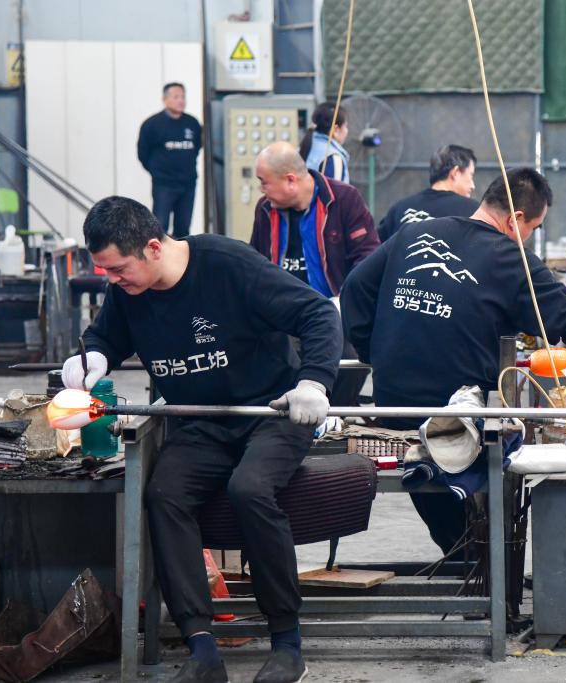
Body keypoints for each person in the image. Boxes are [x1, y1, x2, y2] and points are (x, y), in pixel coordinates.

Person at [62, 196, 341, 683]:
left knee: (249, 488)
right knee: (164, 495)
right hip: (201, 422)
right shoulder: (129, 290)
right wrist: (94, 357)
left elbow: (318, 314)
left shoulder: (228, 266)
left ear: (153, 247)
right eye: (106, 271)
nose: (113, 280)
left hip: (271, 412)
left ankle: (287, 642)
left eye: (118, 269)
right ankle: (202, 647)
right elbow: (107, 334)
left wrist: (314, 381)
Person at [342, 168, 566, 557]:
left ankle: (470, 561)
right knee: (478, 512)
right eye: (532, 228)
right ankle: (477, 566)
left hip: (393, 404)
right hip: (457, 417)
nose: (528, 238)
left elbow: (354, 288)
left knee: (450, 517)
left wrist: (374, 353)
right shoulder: (511, 258)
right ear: (516, 219)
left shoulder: (412, 233)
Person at [250, 141, 379, 408]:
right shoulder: (265, 209)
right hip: (282, 314)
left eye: (264, 182)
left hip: (334, 309)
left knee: (350, 351)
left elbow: (368, 258)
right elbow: (255, 263)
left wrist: (343, 301)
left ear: (290, 180)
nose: (261, 189)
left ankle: (335, 414)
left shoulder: (344, 199)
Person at [137, 83, 202, 238]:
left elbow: (197, 147)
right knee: (159, 227)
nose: (181, 101)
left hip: (188, 184)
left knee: (183, 228)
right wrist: (158, 172)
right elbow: (143, 154)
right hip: (164, 184)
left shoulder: (192, 123)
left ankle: (181, 253)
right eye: (176, 97)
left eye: (183, 97)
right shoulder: (152, 125)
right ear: (165, 100)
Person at [377, 144, 479, 242]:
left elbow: (377, 246)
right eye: (471, 175)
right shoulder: (473, 211)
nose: (473, 186)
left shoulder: (399, 209)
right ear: (455, 172)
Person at [299, 102, 349, 182]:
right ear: (335, 130)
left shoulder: (304, 146)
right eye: (346, 126)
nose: (347, 131)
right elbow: (333, 190)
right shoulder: (333, 157)